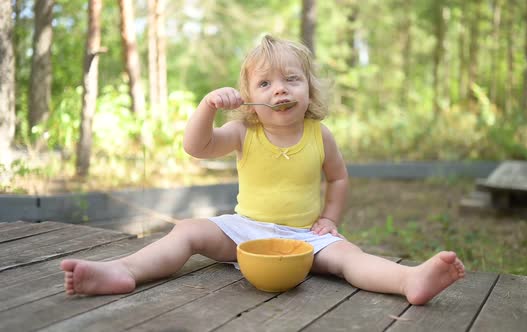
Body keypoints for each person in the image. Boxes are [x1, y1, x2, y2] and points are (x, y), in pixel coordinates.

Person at [60, 35, 465, 305]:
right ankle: (122, 271)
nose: (280, 90)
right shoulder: (241, 131)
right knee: (188, 231)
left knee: (349, 259)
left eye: (292, 79)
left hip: (305, 238)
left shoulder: (319, 134)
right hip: (245, 231)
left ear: (309, 89)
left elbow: (338, 177)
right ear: (249, 96)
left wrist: (329, 218)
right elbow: (195, 147)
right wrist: (207, 108)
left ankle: (408, 280)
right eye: (266, 84)